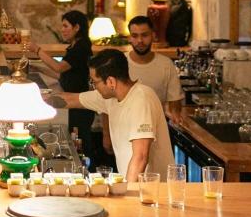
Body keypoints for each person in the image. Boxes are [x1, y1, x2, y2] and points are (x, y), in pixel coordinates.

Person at [60, 48, 173, 182]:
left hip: (153, 189)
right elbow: (71, 99)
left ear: (111, 82)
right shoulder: (111, 97)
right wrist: (38, 98)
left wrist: (128, 191)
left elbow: (141, 157)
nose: (93, 86)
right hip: (134, 185)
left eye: (94, 82)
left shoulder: (141, 99)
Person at [27, 9, 94, 158]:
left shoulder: (80, 48)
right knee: (75, 140)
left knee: (80, 143)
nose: (62, 30)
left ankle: (83, 167)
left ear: (77, 27)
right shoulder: (74, 47)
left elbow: (59, 67)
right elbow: (62, 75)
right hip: (73, 100)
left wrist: (37, 50)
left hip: (79, 102)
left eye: (65, 26)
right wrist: (39, 68)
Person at [126, 15, 184, 124]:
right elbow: (107, 104)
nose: (140, 40)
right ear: (129, 38)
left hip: (157, 127)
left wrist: (175, 116)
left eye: (144, 35)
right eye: (135, 36)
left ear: (153, 35)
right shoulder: (120, 63)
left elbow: (174, 102)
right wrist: (106, 132)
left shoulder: (166, 64)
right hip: (124, 128)